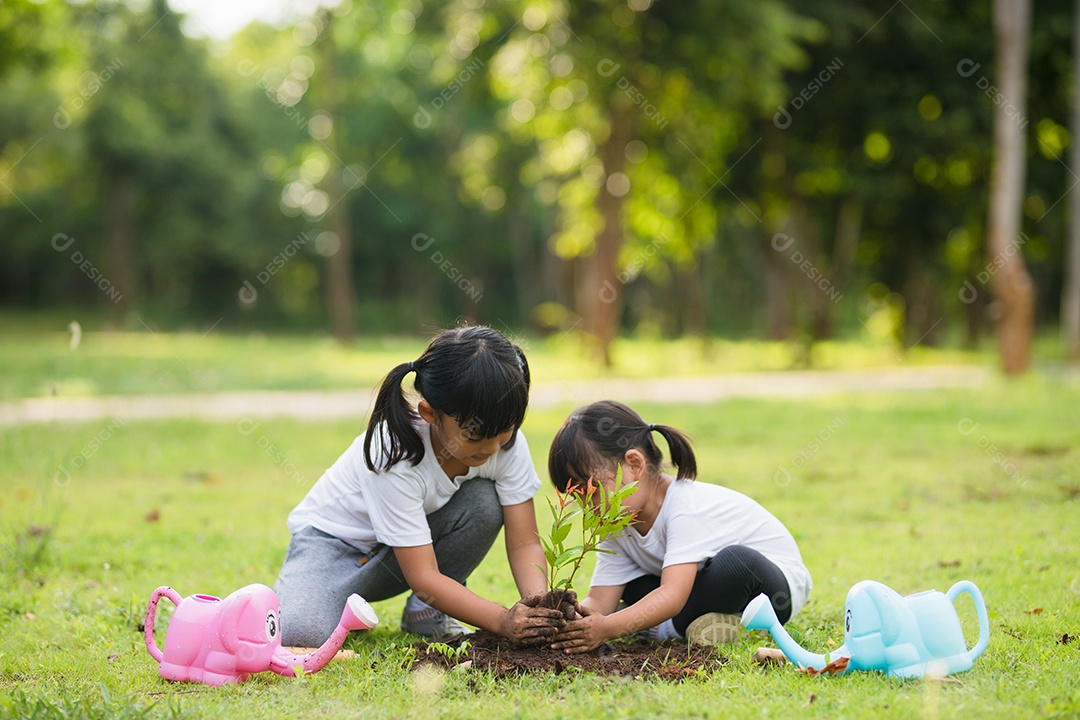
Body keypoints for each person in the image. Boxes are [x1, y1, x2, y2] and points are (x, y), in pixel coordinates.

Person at [275, 326, 566, 647]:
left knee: (485, 502)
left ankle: (426, 613)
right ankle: (332, 603)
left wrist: (541, 608)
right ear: (429, 413)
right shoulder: (394, 451)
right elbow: (423, 575)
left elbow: (524, 543)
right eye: (474, 435)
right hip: (333, 548)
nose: (493, 447)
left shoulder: (505, 444)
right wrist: (502, 620)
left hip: (403, 555)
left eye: (506, 430)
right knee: (298, 634)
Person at [546, 400, 812, 653]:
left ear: (634, 465)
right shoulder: (617, 522)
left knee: (736, 564)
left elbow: (672, 595)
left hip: (771, 589)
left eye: (591, 491)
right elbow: (602, 601)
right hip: (696, 590)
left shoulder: (684, 507)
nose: (587, 507)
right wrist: (572, 620)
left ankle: (661, 629)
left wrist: (610, 627)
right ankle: (711, 623)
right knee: (632, 586)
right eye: (577, 497)